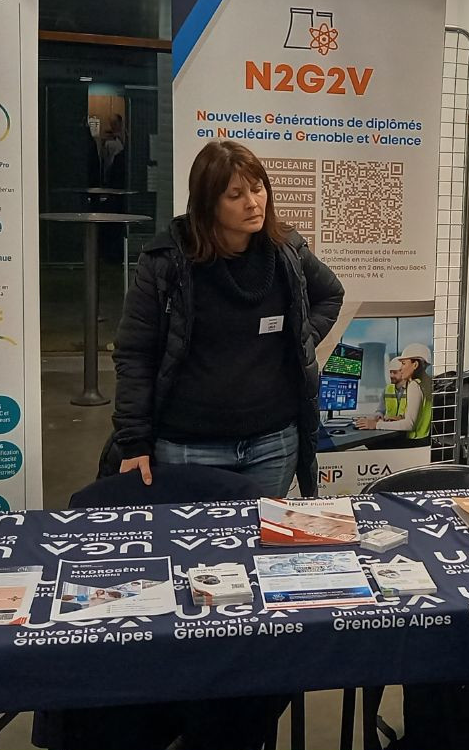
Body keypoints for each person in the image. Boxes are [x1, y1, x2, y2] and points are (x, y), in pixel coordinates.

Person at [111, 139, 344, 499]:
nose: (253, 203)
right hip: (189, 446)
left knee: (263, 532)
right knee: (195, 534)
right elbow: (134, 354)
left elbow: (330, 295)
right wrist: (134, 440)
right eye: (235, 195)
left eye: (258, 188)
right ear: (208, 204)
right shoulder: (167, 262)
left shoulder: (286, 249)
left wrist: (299, 341)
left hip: (273, 443)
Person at [355, 343, 433, 442]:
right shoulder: (427, 383)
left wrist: (376, 425)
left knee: (370, 442)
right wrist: (399, 418)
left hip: (413, 441)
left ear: (415, 365)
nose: (401, 368)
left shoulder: (414, 385)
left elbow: (409, 424)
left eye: (403, 363)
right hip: (424, 439)